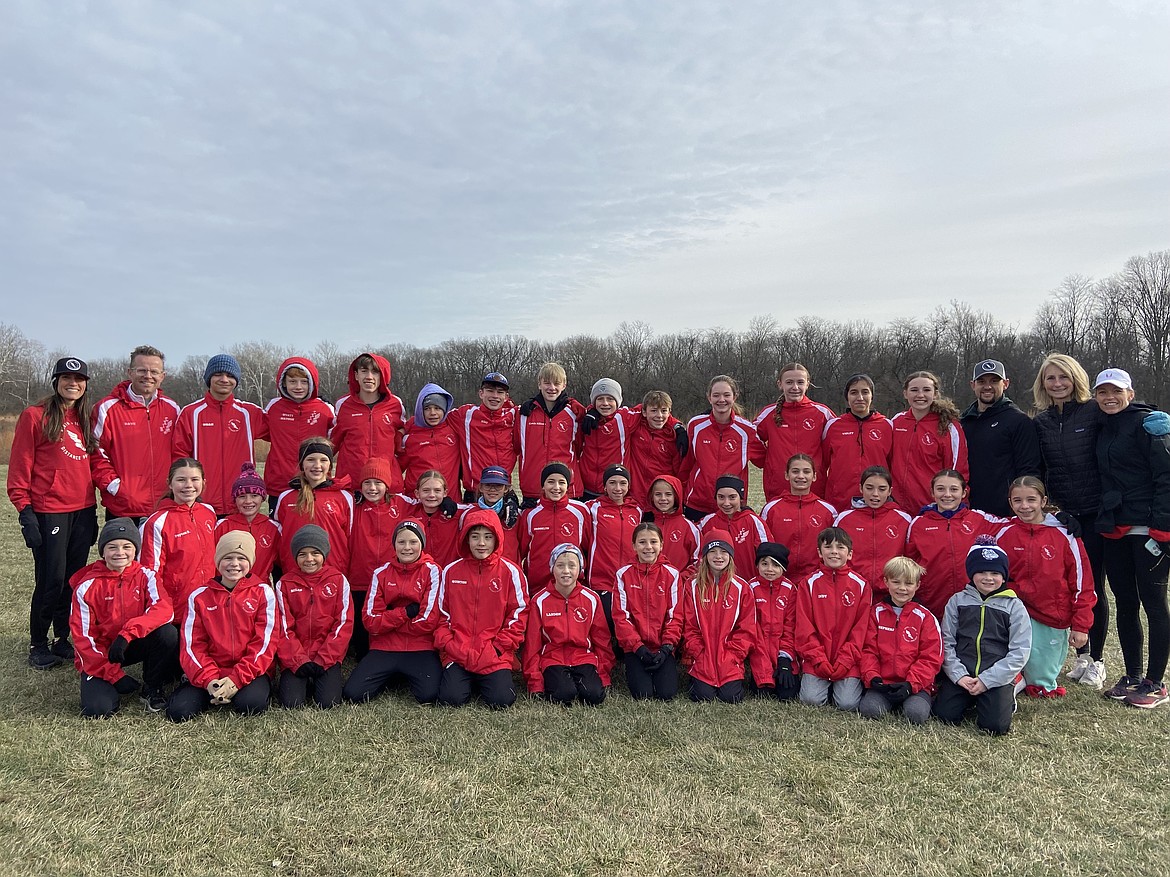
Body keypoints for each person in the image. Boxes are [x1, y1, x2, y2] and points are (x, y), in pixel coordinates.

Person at [8, 356, 98, 669]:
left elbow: (85, 468)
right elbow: (20, 466)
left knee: (72, 580)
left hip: (82, 511)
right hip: (50, 512)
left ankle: (62, 638)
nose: (73, 384)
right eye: (66, 379)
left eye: (79, 380)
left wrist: (93, 511)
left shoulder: (84, 418)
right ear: (56, 382)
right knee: (51, 580)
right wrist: (25, 511)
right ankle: (37, 643)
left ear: (85, 385)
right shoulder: (35, 416)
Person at [1093, 368, 1170, 708]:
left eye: (1116, 391)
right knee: (1125, 602)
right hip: (1116, 527)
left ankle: (1156, 682)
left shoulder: (1150, 423)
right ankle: (1133, 676)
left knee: (1154, 604)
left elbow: (1166, 476)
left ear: (1129, 391)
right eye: (1102, 392)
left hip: (1149, 528)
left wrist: (1163, 527)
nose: (1109, 397)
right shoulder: (1103, 426)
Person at [1031, 353, 1107, 688]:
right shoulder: (1042, 421)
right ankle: (1081, 656)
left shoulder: (1093, 412)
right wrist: (1056, 509)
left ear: (1075, 378)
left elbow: (1123, 423)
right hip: (1063, 517)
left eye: (1063, 377)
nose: (1058, 384)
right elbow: (1043, 470)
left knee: (1094, 588)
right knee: (1066, 587)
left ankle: (1099, 660)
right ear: (1043, 384)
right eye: (1051, 378)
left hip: (1097, 513)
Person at [995, 476, 1095, 698]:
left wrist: (1081, 625)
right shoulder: (1003, 531)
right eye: (1017, 500)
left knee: (1039, 684)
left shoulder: (1065, 533)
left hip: (1051, 616)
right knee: (1007, 671)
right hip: (1014, 614)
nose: (1025, 506)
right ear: (1010, 503)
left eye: (1031, 499)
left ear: (1043, 501)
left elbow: (1082, 583)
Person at [70, 518, 180, 717]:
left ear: (135, 550)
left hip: (130, 642)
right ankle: (103, 680)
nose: (120, 552)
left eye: (127, 546)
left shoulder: (147, 575)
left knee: (168, 633)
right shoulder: (86, 586)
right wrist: (115, 676)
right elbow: (83, 639)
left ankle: (152, 687)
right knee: (98, 710)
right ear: (103, 552)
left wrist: (127, 634)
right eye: (112, 547)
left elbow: (164, 609)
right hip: (102, 652)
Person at [167, 532, 278, 721]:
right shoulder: (199, 596)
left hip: (248, 671)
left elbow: (265, 644)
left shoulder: (263, 593)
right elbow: (193, 645)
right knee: (179, 712)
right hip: (212, 669)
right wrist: (210, 680)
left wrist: (236, 679)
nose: (234, 564)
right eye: (228, 558)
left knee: (250, 705)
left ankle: (235, 690)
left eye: (241, 558)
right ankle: (211, 689)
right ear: (218, 562)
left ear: (250, 562)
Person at [424, 509, 529, 708]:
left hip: (493, 653)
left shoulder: (511, 572)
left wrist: (498, 648)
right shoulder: (451, 571)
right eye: (475, 537)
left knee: (501, 700)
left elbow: (518, 615)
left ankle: (486, 680)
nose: (481, 543)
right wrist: (450, 644)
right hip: (458, 651)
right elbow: (441, 615)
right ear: (465, 539)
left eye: (488, 537)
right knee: (451, 699)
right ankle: (464, 680)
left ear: (497, 539)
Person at [933, 537, 1031, 735]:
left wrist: (987, 680)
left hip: (996, 674)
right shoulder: (957, 601)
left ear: (1003, 577)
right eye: (981, 572)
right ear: (971, 574)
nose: (988, 578)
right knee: (943, 716)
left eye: (995, 573)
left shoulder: (1014, 606)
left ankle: (1010, 690)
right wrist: (959, 675)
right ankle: (969, 696)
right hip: (963, 673)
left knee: (994, 727)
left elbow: (1020, 651)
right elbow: (946, 642)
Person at [343, 520, 443, 705]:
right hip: (384, 646)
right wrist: (405, 613)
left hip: (420, 646)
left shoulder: (433, 571)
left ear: (422, 544)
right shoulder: (381, 573)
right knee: (353, 694)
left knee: (429, 695)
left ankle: (400, 674)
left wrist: (388, 618)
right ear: (394, 544)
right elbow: (370, 621)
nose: (407, 548)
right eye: (401, 542)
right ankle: (393, 673)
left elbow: (428, 620)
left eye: (413, 542)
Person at [91, 345, 182, 525]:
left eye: (154, 371)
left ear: (162, 376)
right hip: (123, 507)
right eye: (142, 370)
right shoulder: (107, 408)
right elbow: (95, 453)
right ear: (130, 372)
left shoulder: (172, 409)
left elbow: (180, 452)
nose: (148, 376)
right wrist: (116, 487)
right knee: (123, 554)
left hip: (163, 506)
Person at [172, 353, 269, 516]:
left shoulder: (249, 412)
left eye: (230, 375)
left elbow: (283, 433)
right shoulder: (191, 413)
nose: (224, 379)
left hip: (240, 502)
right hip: (202, 503)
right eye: (218, 374)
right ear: (209, 377)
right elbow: (178, 455)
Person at [905, 469, 1004, 619]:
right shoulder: (918, 524)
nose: (947, 495)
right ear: (932, 492)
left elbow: (1013, 525)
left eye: (954, 489)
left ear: (964, 492)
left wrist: (1047, 519)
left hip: (972, 600)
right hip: (932, 600)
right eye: (940, 489)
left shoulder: (978, 519)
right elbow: (908, 563)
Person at [274, 525, 353, 709]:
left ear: (324, 554)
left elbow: (343, 624)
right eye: (302, 554)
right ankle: (301, 681)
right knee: (292, 703)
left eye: (315, 553)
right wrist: (298, 660)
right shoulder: (284, 584)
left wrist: (323, 659)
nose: (309, 559)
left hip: (326, 655)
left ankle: (320, 678)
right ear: (295, 557)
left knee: (328, 703)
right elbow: (283, 628)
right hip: (296, 656)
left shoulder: (338, 580)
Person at [522, 544, 611, 705]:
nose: (566, 571)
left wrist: (603, 675)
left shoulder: (591, 599)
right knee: (563, 695)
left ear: (580, 569)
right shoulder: (539, 601)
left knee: (594, 696)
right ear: (552, 568)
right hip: (553, 658)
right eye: (560, 565)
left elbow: (602, 640)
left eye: (572, 565)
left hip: (584, 657)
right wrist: (535, 683)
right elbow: (532, 645)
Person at [858, 556, 942, 724]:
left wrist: (911, 684)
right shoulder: (875, 614)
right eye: (896, 582)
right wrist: (873, 677)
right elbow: (868, 650)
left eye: (909, 583)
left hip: (914, 686)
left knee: (915, 715)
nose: (902, 588)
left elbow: (931, 658)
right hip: (883, 684)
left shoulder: (926, 617)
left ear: (917, 585)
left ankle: (916, 700)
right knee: (870, 710)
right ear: (886, 582)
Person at [795, 527, 871, 711]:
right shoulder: (809, 584)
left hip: (848, 661)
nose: (834, 552)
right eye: (828, 547)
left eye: (840, 547)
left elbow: (861, 630)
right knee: (810, 700)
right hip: (817, 660)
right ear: (820, 553)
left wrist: (846, 661)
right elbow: (804, 628)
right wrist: (818, 659)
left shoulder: (861, 585)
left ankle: (839, 685)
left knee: (847, 704)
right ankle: (822, 683)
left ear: (850, 554)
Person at [679, 531, 755, 703]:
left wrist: (734, 655)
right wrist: (698, 652)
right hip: (702, 657)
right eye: (713, 551)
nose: (718, 556)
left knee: (731, 698)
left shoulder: (742, 588)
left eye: (724, 552)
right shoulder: (692, 586)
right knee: (702, 696)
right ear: (705, 556)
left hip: (729, 659)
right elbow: (688, 626)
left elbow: (747, 629)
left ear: (731, 556)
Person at [960, 359, 1042, 517]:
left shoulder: (1018, 421)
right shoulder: (963, 423)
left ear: (1005, 384)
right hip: (970, 514)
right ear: (973, 385)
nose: (987, 386)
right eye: (981, 381)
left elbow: (1029, 470)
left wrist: (1023, 507)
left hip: (1006, 514)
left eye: (994, 381)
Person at [612, 523, 683, 700]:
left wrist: (667, 647)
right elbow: (621, 617)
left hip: (662, 647)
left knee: (666, 694)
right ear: (634, 546)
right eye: (642, 542)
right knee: (642, 694)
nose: (648, 547)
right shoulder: (623, 574)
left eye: (653, 542)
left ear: (662, 545)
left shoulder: (672, 574)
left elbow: (675, 616)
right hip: (636, 648)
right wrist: (638, 648)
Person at [680, 375, 765, 519]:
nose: (721, 400)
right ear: (709, 397)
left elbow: (763, 460)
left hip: (730, 505)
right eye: (716, 395)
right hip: (697, 503)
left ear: (735, 396)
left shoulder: (746, 430)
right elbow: (686, 464)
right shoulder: (695, 425)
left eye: (726, 395)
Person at [140, 458, 217, 609]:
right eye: (181, 480)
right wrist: (162, 607)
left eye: (195, 479)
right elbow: (151, 572)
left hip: (210, 604)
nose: (188, 485)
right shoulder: (157, 522)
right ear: (170, 483)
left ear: (203, 482)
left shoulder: (209, 512)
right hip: (177, 608)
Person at [753, 363, 835, 502]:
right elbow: (750, 439)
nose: (795, 387)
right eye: (789, 382)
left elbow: (835, 445)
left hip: (815, 488)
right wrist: (768, 462)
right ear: (780, 384)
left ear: (808, 384)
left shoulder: (822, 413)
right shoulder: (769, 414)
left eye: (800, 382)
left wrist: (820, 466)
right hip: (778, 488)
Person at [273, 437, 354, 576]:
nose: (317, 465)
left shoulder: (344, 497)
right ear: (302, 464)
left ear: (330, 465)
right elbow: (279, 536)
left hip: (333, 573)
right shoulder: (286, 497)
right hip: (294, 573)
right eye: (311, 460)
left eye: (323, 460)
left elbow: (351, 537)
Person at [890, 370, 968, 515]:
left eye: (926, 390)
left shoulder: (949, 426)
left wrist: (955, 509)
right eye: (914, 390)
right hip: (897, 508)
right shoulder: (896, 421)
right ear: (905, 394)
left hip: (932, 509)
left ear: (935, 394)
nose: (920, 395)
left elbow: (958, 470)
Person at [263, 356, 336, 504]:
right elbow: (263, 432)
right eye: (292, 381)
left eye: (304, 382)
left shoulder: (325, 409)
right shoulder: (274, 407)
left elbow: (335, 439)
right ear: (283, 382)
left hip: (315, 483)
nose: (298, 387)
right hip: (280, 484)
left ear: (312, 383)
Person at [330, 352, 406, 492]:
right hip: (351, 484)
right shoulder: (343, 405)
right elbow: (331, 444)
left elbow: (404, 435)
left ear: (383, 376)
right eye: (364, 371)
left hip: (385, 484)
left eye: (375, 372)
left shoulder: (395, 404)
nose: (369, 377)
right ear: (356, 375)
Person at [833, 466, 913, 595]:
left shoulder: (903, 519)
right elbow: (834, 554)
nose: (875, 494)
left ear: (890, 491)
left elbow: (910, 556)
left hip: (891, 592)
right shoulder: (844, 519)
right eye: (869, 488)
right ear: (861, 488)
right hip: (852, 589)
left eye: (882, 489)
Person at [820, 374, 894, 512]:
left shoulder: (887, 426)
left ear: (872, 396)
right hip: (840, 501)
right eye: (854, 392)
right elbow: (823, 464)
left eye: (865, 392)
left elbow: (894, 465)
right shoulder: (833, 426)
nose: (860, 397)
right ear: (847, 397)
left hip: (876, 500)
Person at [514, 362, 586, 502]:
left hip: (567, 489)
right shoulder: (523, 414)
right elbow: (517, 446)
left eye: (557, 383)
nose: (552, 388)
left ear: (564, 385)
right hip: (533, 488)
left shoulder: (575, 414)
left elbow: (579, 447)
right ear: (539, 384)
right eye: (547, 383)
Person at [760, 455, 837, 583]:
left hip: (816, 580)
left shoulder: (828, 511)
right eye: (795, 471)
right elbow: (764, 546)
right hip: (780, 579)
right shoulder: (772, 509)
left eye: (806, 472)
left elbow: (834, 546)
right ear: (786, 475)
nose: (801, 476)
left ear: (814, 476)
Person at [584, 464, 642, 631]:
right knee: (608, 620)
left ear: (629, 486)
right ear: (604, 486)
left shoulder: (636, 510)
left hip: (630, 580)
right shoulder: (592, 508)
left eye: (623, 483)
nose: (618, 488)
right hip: (602, 581)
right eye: (612, 483)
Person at [519, 462, 591, 594]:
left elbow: (587, 546)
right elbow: (522, 550)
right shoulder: (530, 513)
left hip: (572, 586)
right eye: (551, 482)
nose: (556, 487)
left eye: (562, 482)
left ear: (568, 485)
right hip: (537, 586)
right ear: (543, 485)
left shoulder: (580, 511)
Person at [450, 371, 517, 500]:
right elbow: (435, 414)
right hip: (475, 493)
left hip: (503, 491)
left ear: (506, 396)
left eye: (500, 392)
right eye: (490, 391)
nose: (495, 396)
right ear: (481, 393)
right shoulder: (465, 415)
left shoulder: (514, 415)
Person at [747, 542, 800, 701]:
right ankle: (760, 675)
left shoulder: (791, 590)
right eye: (764, 564)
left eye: (775, 565)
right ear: (757, 566)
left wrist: (785, 658)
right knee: (761, 694)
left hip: (782, 654)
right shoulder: (750, 588)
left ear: (783, 568)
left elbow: (791, 628)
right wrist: (763, 672)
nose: (769, 569)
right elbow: (752, 631)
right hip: (759, 655)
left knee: (787, 696)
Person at [214, 464, 281, 583]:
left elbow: (282, 563)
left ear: (262, 498)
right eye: (242, 496)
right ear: (235, 499)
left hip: (259, 591)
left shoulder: (273, 528)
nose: (248, 501)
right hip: (227, 590)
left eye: (254, 496)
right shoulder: (222, 526)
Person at [578, 378, 638, 499]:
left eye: (610, 399)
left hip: (615, 489)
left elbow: (654, 410)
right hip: (586, 487)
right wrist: (591, 410)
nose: (605, 403)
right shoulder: (586, 418)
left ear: (618, 401)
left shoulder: (626, 418)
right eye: (600, 399)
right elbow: (569, 405)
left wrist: (676, 426)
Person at [626, 390, 688, 504]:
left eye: (664, 411)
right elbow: (616, 412)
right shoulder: (636, 427)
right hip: (635, 497)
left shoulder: (673, 437)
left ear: (669, 413)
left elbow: (680, 472)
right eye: (654, 411)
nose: (659, 416)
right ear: (644, 412)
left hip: (660, 501)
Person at [699, 475, 771, 571]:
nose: (726, 503)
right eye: (721, 497)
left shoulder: (754, 521)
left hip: (748, 582)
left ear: (741, 498)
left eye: (732, 497)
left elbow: (767, 555)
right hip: (716, 583)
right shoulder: (706, 522)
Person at [400, 382, 460, 494]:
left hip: (450, 500)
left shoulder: (453, 429)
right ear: (420, 410)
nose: (432, 413)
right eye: (427, 408)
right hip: (418, 502)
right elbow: (397, 469)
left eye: (437, 408)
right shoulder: (409, 436)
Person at [641, 475, 700, 574]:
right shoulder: (645, 523)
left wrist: (681, 578)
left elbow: (698, 558)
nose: (663, 498)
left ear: (676, 497)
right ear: (651, 496)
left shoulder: (688, 526)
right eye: (658, 494)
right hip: (648, 583)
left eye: (668, 494)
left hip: (678, 585)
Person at [462, 465, 522, 563]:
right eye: (488, 485)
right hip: (476, 571)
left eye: (498, 485)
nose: (492, 489)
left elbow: (523, 545)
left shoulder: (516, 515)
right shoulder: (468, 513)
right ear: (480, 487)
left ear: (506, 489)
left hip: (507, 570)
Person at [408, 470, 464, 568]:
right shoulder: (410, 511)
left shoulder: (456, 513)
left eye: (437, 490)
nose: (432, 495)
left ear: (445, 492)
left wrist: (448, 501)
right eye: (426, 490)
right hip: (422, 576)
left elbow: (481, 509)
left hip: (449, 574)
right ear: (417, 493)